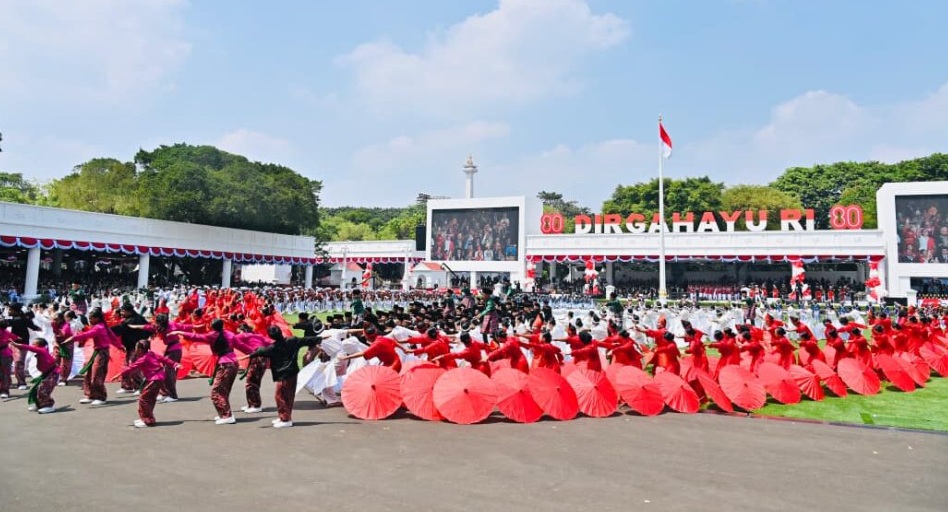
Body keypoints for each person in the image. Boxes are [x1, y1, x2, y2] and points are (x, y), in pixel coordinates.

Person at [249, 326, 322, 428]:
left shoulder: (272, 348)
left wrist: (251, 355)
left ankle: (285, 419)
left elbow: (261, 351)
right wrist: (321, 338)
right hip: (292, 372)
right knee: (288, 396)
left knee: (281, 396)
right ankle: (284, 416)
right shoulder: (292, 341)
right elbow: (306, 340)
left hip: (284, 375)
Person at [171, 319, 239, 425]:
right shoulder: (229, 334)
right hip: (234, 363)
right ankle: (224, 413)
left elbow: (197, 336)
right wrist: (253, 351)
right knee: (223, 390)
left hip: (225, 365)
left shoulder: (212, 335)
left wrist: (180, 332)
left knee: (216, 392)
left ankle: (227, 416)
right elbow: (240, 345)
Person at [112, 339, 179, 427]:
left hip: (154, 379)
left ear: (140, 349)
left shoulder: (143, 358)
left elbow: (131, 367)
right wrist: (174, 364)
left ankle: (148, 420)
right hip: (157, 378)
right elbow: (163, 359)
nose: (135, 350)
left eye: (136, 348)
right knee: (150, 399)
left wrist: (119, 375)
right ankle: (146, 418)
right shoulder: (151, 353)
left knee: (144, 399)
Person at [65, 307, 125, 405]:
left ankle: (100, 397)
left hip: (102, 353)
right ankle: (90, 395)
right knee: (88, 374)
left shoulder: (99, 327)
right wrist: (119, 346)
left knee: (97, 375)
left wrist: (73, 338)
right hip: (96, 352)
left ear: (97, 318)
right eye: (89, 317)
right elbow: (112, 336)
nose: (90, 320)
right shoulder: (101, 326)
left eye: (92, 318)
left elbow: (87, 335)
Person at [13, 338, 59, 414]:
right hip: (46, 373)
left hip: (52, 373)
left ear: (39, 345)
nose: (33, 345)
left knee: (43, 389)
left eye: (34, 344)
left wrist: (19, 345)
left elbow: (30, 348)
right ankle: (39, 404)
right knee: (35, 389)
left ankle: (48, 405)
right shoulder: (42, 350)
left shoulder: (42, 350)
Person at [0, 320, 20, 398]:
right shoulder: (7, 332)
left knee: (4, 373)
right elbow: (16, 337)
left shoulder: (5, 332)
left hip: (4, 354)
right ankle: (4, 390)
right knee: (5, 373)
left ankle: (4, 390)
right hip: (6, 353)